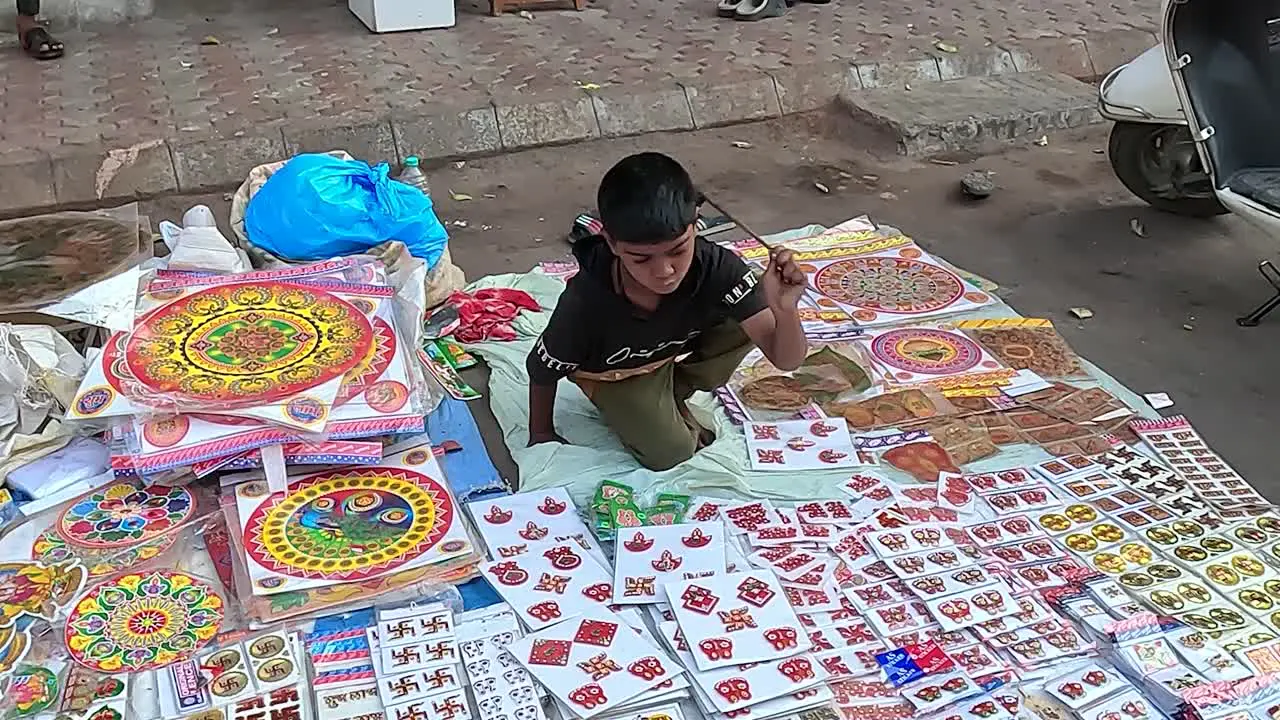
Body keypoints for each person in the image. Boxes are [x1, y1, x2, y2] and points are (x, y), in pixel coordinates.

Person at [525, 151, 808, 471]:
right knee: (671, 453)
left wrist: (785, 310)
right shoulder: (587, 302)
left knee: (748, 310)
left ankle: (669, 393)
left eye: (678, 250)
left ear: (696, 225)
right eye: (642, 259)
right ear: (612, 244)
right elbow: (541, 368)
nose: (664, 271)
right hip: (617, 373)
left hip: (667, 354)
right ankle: (639, 401)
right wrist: (542, 434)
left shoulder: (717, 269)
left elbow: (787, 359)